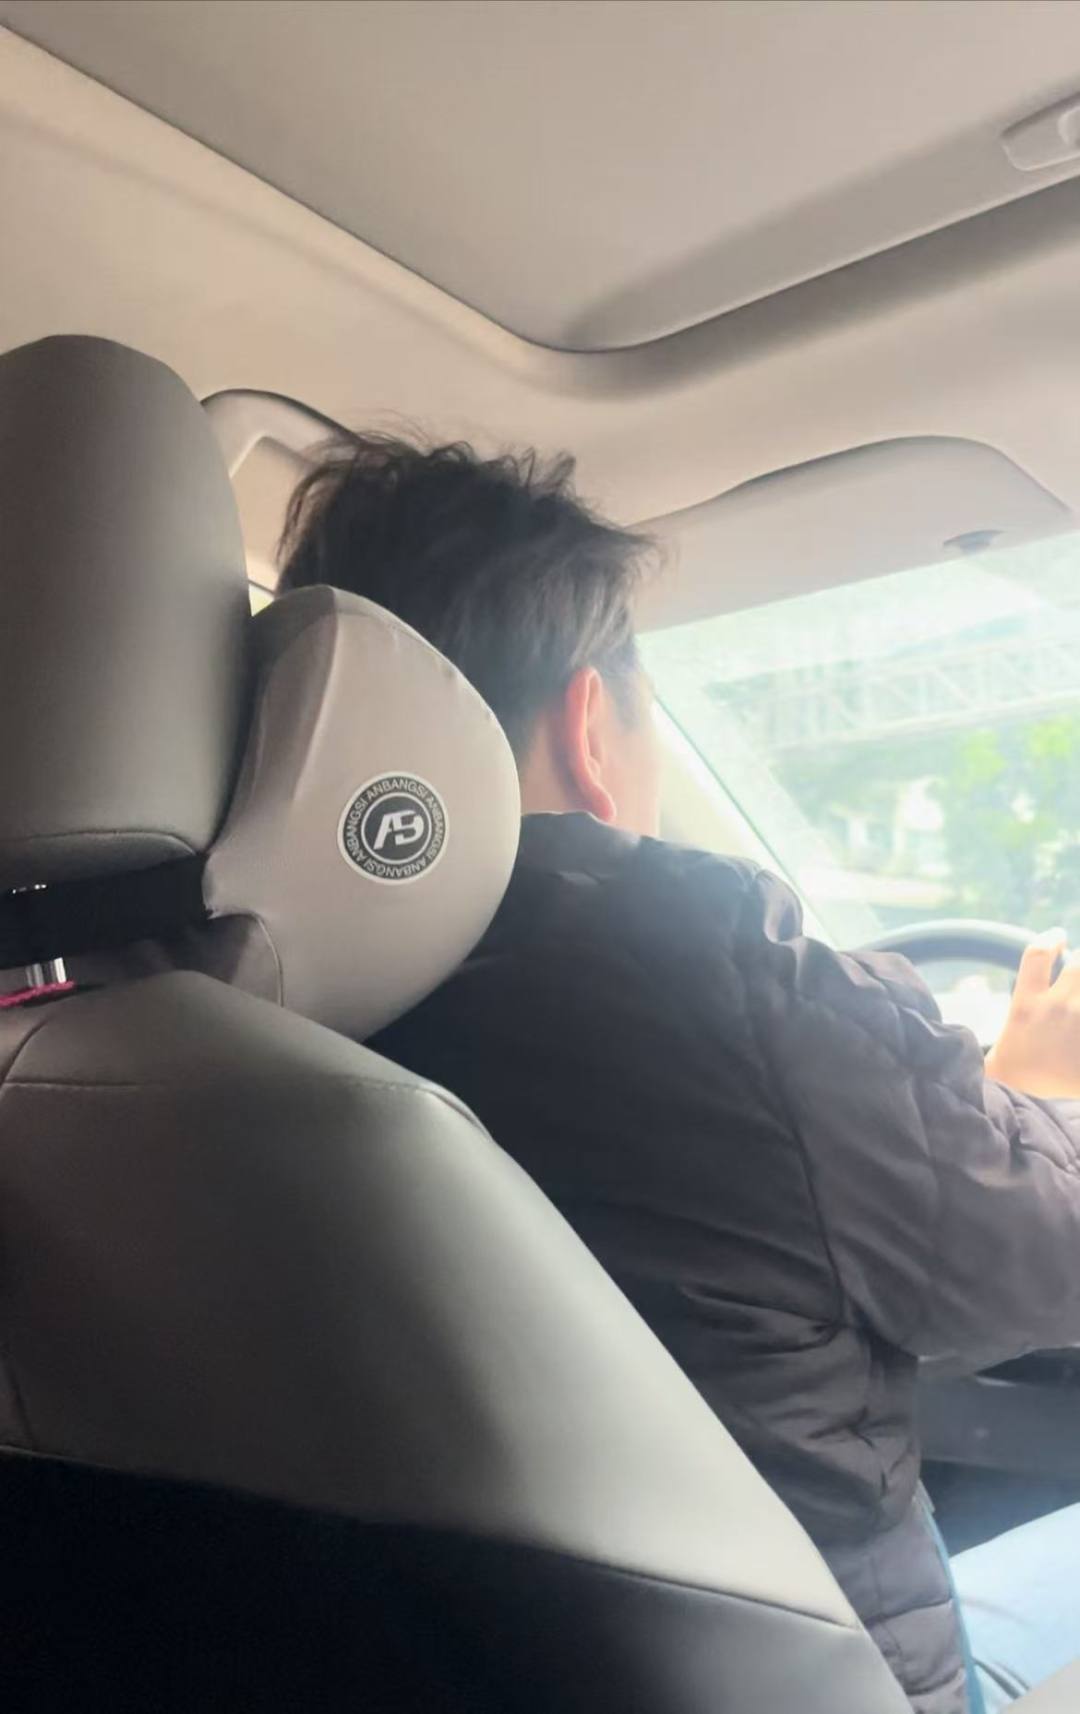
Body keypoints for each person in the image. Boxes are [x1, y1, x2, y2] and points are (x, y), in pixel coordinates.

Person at [279, 431, 1080, 1714]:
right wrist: (1038, 1092)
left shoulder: (248, 1010)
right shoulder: (722, 976)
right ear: (590, 724)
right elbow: (1047, 1248)